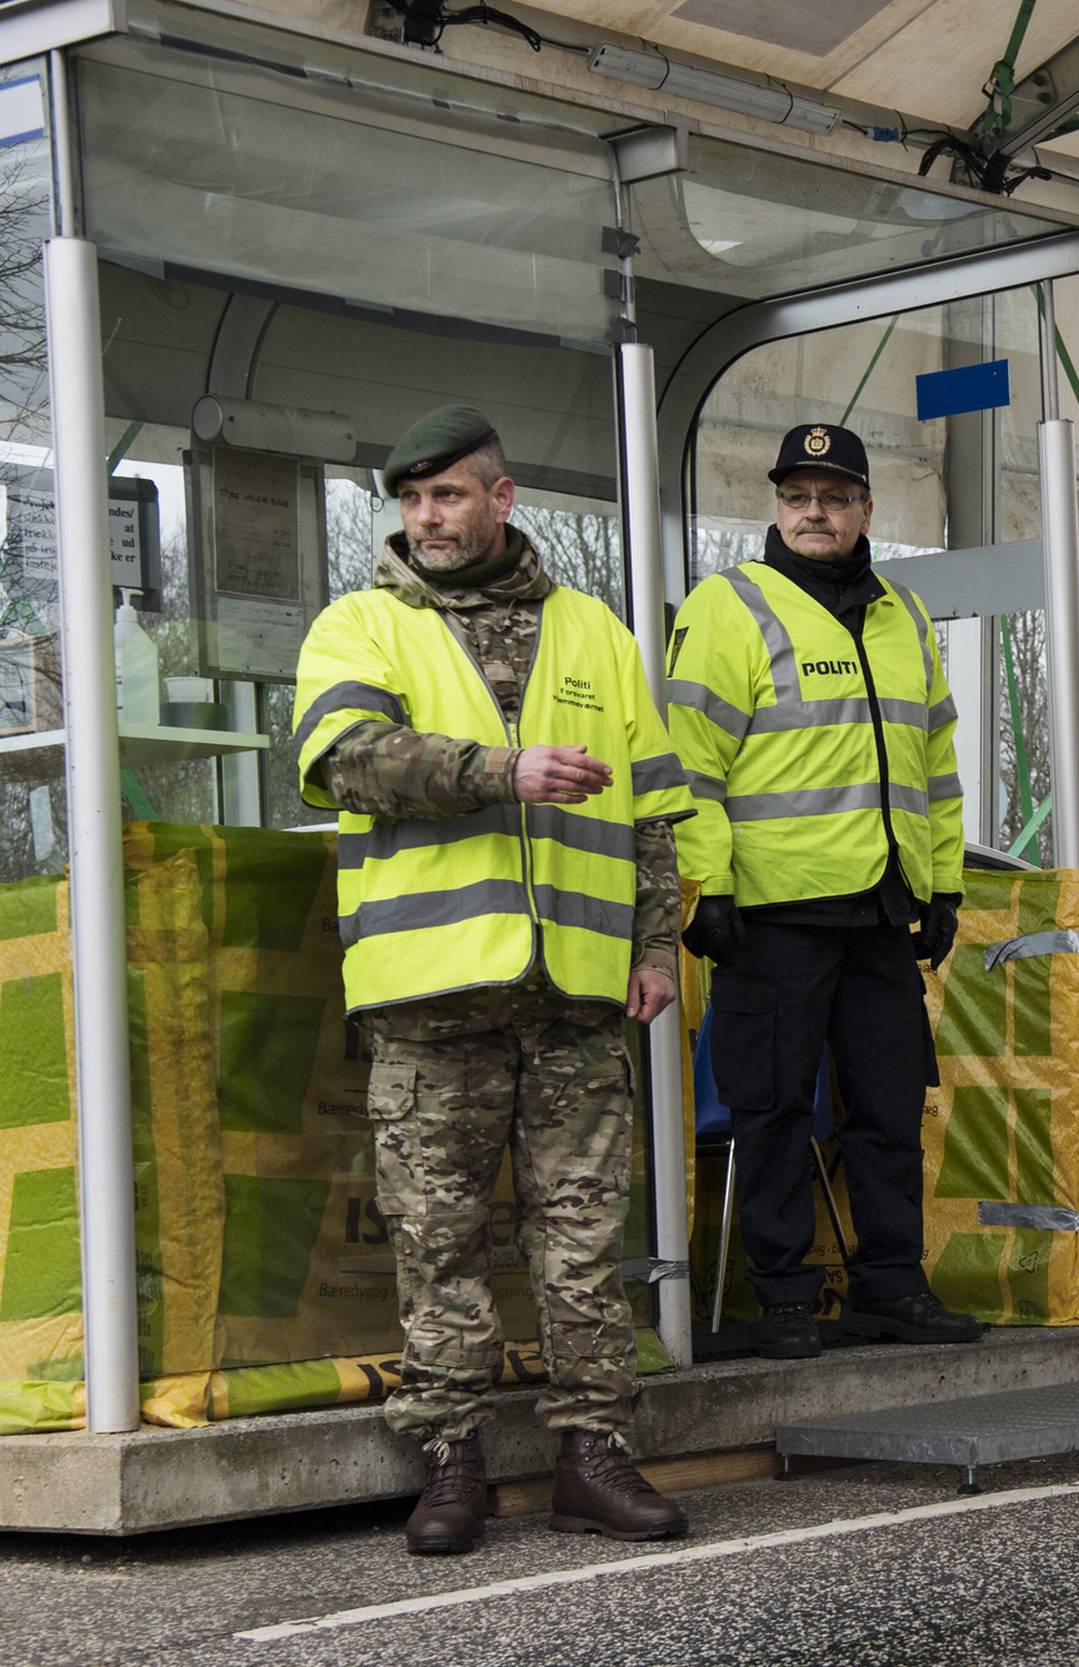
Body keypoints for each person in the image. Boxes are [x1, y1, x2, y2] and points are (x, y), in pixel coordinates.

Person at [291, 406, 694, 1556]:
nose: (429, 518)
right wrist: (500, 769)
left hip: (573, 992)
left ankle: (593, 1457)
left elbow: (654, 806)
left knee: (580, 1242)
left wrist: (655, 945)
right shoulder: (359, 626)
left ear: (502, 499)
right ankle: (450, 1462)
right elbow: (343, 761)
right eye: (413, 501)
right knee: (437, 1240)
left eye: (451, 496)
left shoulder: (595, 634)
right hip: (432, 994)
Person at [667, 423, 981, 1359]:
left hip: (881, 910)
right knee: (769, 1113)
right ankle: (785, 1297)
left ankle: (891, 1285)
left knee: (890, 1109)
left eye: (835, 496)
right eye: (799, 495)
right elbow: (690, 765)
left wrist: (944, 884)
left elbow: (935, 767)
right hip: (771, 916)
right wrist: (708, 889)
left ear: (866, 511)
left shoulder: (903, 616)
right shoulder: (730, 606)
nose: (816, 510)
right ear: (776, 507)